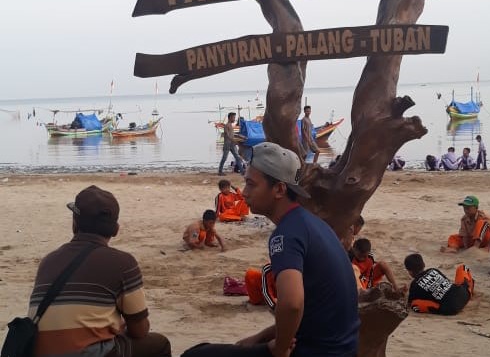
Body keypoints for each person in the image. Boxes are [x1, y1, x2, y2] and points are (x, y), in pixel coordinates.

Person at [183, 142, 359, 357]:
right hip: (343, 348)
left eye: (251, 184)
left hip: (317, 351)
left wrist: (279, 349)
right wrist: (262, 337)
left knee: (196, 355)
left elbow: (293, 304)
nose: (245, 193)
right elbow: (314, 311)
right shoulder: (313, 224)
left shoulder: (286, 234)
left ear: (279, 189)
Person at [27, 185, 171, 357]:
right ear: (116, 229)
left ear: (74, 224)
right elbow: (139, 331)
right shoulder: (122, 263)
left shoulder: (48, 261)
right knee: (160, 344)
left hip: (39, 352)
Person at [404, 253, 474, 315]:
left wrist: (404, 293)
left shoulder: (414, 284)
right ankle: (470, 289)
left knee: (414, 305)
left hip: (452, 309)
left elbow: (410, 303)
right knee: (463, 268)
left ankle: (437, 308)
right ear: (424, 265)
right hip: (464, 294)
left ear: (410, 271)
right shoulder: (433, 270)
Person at [219, 112, 245, 176]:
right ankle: (220, 171)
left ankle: (242, 171)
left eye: (234, 117)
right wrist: (235, 140)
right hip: (227, 145)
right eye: (233, 117)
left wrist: (240, 136)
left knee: (238, 157)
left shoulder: (231, 125)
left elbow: (232, 134)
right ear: (230, 117)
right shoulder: (226, 125)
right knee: (224, 158)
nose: (234, 119)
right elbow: (228, 136)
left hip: (232, 144)